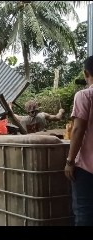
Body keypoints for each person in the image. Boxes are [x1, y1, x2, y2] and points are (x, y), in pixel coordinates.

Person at [65, 55, 93, 226]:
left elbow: (78, 129)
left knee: (84, 212)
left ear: (85, 73)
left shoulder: (84, 95)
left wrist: (69, 161)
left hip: (87, 169)